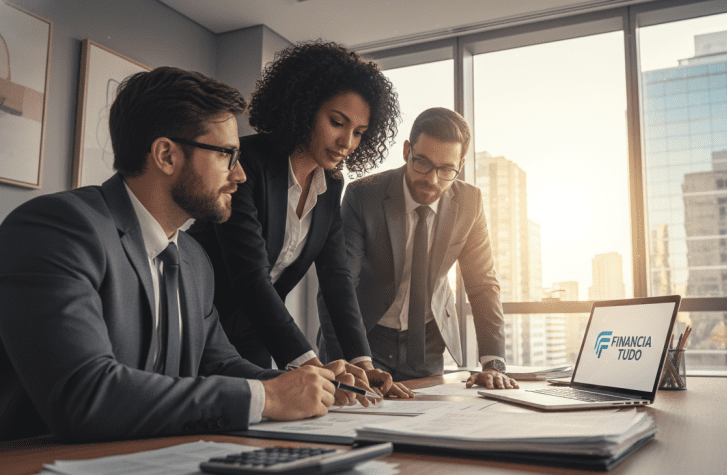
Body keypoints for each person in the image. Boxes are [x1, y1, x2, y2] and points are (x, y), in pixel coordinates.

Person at [0, 67, 364, 442]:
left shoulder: (193, 258)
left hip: (147, 461)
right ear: (166, 155)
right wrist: (267, 397)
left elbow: (219, 364)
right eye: (227, 155)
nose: (239, 175)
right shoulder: (57, 230)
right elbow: (85, 395)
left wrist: (309, 385)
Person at [187, 41, 413, 398]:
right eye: (337, 123)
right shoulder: (248, 164)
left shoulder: (331, 183)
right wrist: (311, 365)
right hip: (199, 325)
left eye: (358, 132)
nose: (347, 142)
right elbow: (249, 277)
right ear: (304, 108)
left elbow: (337, 278)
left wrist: (364, 363)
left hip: (255, 333)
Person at [321, 107, 518, 388]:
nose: (431, 179)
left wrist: (493, 363)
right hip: (365, 337)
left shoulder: (470, 202)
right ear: (406, 151)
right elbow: (340, 283)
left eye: (446, 169)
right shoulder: (363, 195)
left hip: (427, 343)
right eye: (422, 163)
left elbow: (483, 285)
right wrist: (356, 359)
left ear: (459, 166)